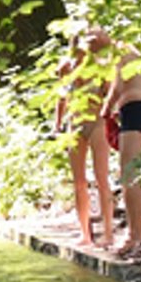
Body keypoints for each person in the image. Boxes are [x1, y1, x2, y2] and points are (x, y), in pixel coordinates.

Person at [55, 26, 116, 249]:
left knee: (102, 177)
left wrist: (112, 116)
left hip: (97, 122)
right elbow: (61, 98)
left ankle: (108, 232)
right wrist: (58, 125)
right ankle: (85, 233)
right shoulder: (65, 68)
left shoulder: (100, 68)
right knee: (79, 181)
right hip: (74, 124)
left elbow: (110, 93)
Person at [100, 30, 141, 255]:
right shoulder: (121, 53)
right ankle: (140, 232)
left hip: (135, 111)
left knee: (129, 174)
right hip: (128, 112)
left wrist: (106, 107)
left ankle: (134, 234)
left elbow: (119, 86)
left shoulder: (123, 52)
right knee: (127, 174)